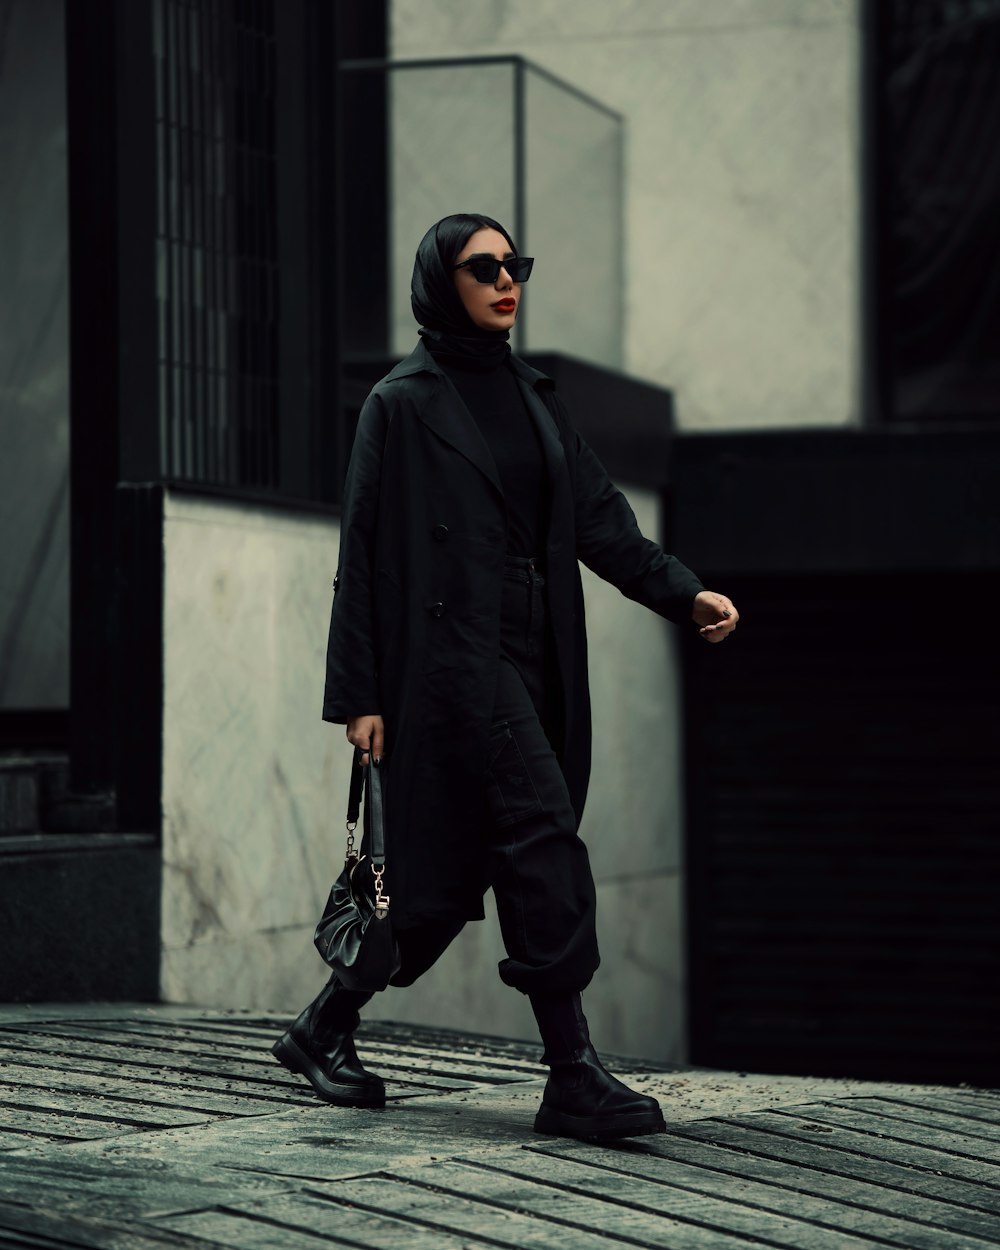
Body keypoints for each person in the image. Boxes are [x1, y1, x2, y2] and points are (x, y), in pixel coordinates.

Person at [272, 213, 738, 1142]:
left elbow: (602, 520)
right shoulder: (400, 401)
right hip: (452, 658)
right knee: (541, 835)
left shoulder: (536, 394)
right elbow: (360, 550)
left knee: (443, 874)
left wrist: (683, 595)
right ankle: (571, 1073)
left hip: (537, 645)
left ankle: (323, 1028)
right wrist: (356, 694)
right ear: (442, 283)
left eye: (513, 263)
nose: (505, 280)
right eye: (482, 267)